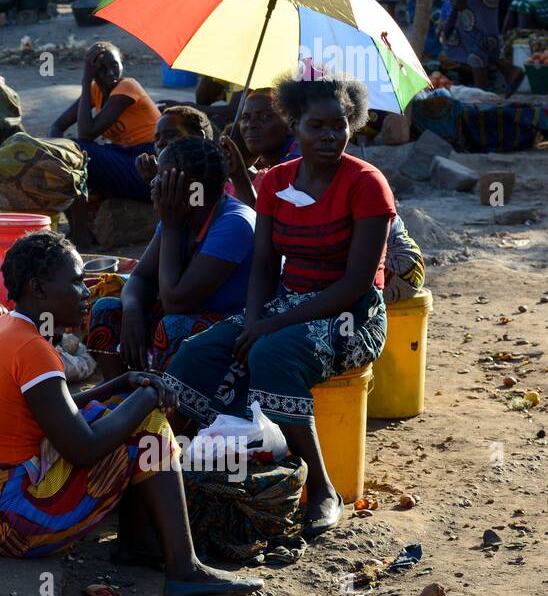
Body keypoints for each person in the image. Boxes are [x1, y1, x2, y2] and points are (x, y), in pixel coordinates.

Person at [0, 230, 265, 596]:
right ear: (38, 288)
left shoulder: (4, 327)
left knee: (118, 411)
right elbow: (82, 450)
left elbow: (58, 406)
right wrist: (148, 396)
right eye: (75, 282)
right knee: (148, 427)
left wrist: (119, 385)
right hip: (4, 521)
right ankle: (184, 568)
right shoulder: (33, 349)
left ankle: (141, 544)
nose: (86, 293)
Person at [163, 74, 394, 536]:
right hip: (285, 303)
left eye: (339, 125)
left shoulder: (367, 185)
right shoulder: (274, 183)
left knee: (273, 352)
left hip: (352, 316)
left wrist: (269, 328)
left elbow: (354, 284)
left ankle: (323, 488)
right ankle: (178, 472)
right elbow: (265, 268)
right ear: (296, 126)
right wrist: (251, 322)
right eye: (317, 126)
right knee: (200, 350)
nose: (330, 135)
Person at [87, 137, 255, 379]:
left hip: (237, 326)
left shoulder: (234, 222)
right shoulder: (183, 213)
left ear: (193, 188)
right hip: (189, 315)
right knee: (108, 308)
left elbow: (176, 303)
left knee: (173, 326)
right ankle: (119, 397)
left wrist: (172, 226)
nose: (154, 182)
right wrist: (132, 311)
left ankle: (170, 410)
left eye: (163, 177)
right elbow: (141, 278)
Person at [50, 43, 160, 248]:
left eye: (114, 66)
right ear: (93, 71)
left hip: (149, 163)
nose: (110, 73)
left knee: (77, 151)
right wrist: (55, 149)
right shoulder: (95, 90)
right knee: (66, 155)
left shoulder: (128, 87)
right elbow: (57, 126)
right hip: (126, 157)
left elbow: (87, 134)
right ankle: (78, 229)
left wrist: (85, 80)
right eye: (101, 69)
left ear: (122, 65)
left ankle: (80, 234)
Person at [219, 89, 300, 208]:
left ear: (290, 124)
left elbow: (262, 222)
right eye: (245, 117)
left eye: (264, 117)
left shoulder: (296, 164)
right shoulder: (274, 164)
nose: (250, 124)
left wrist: (239, 175)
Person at [133, 104, 214, 186]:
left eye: (171, 135)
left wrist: (158, 180)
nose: (160, 143)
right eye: (157, 139)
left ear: (198, 137)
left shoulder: (208, 179)